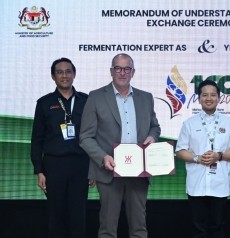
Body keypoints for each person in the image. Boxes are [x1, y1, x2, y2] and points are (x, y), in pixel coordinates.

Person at [79, 53, 160, 238]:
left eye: (126, 69)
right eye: (118, 68)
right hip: (109, 171)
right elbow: (85, 137)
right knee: (107, 228)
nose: (122, 72)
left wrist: (152, 138)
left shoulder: (145, 98)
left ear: (133, 72)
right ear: (111, 71)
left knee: (139, 228)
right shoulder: (96, 97)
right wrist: (102, 157)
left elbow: (155, 127)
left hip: (139, 171)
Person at [30, 57, 90, 238]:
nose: (64, 76)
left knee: (78, 215)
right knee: (55, 215)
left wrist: (94, 168)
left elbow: (95, 136)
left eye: (68, 71)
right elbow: (37, 139)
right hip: (54, 166)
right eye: (60, 72)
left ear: (74, 74)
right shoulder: (44, 103)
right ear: (53, 76)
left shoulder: (86, 101)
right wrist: (39, 170)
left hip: (81, 166)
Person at [175, 79, 230, 238]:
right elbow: (180, 151)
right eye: (205, 95)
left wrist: (219, 156)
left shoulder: (229, 123)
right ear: (199, 98)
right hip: (196, 184)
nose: (209, 98)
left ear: (219, 98)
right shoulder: (189, 124)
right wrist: (198, 158)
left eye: (213, 95)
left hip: (220, 184)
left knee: (218, 227)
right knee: (198, 229)